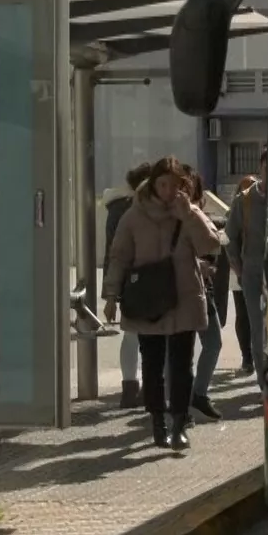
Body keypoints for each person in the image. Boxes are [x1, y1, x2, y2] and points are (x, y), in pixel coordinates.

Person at [103, 158, 223, 450]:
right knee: (153, 363)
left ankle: (179, 424)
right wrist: (110, 297)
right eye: (163, 184)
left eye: (174, 185)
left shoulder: (189, 212)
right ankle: (158, 421)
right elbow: (119, 257)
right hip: (148, 299)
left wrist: (189, 216)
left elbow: (211, 246)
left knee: (182, 364)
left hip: (184, 297)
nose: (169, 191)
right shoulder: (134, 215)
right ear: (154, 184)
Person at [105, 161, 152, 410]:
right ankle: (143, 388)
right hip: (145, 279)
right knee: (148, 336)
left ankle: (129, 388)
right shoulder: (138, 210)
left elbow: (111, 253)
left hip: (128, 281)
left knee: (131, 334)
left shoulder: (116, 208)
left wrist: (111, 292)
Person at [186, 172, 228, 423]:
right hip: (179, 292)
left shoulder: (203, 219)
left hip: (204, 291)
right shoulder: (170, 220)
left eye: (190, 189)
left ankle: (198, 394)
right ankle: (180, 404)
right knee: (181, 351)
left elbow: (217, 245)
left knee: (213, 342)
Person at [225, 149, 268, 382]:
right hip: (253, 271)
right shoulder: (245, 200)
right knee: (258, 328)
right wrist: (238, 268)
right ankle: (264, 381)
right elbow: (229, 236)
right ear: (261, 168)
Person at [229, 174, 258, 374]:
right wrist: (238, 268)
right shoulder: (236, 211)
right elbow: (229, 240)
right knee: (242, 314)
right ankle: (246, 357)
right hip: (238, 269)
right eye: (244, 187)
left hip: (254, 271)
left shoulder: (259, 211)